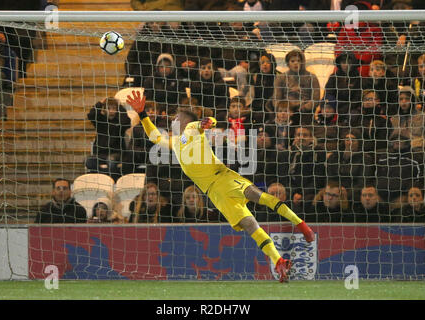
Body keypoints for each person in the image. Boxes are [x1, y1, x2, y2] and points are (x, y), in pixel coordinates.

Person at [127, 90, 315, 283]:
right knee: (250, 225)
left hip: (223, 177)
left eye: (176, 117)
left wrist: (207, 122)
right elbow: (155, 137)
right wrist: (142, 114)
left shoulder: (191, 127)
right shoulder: (175, 142)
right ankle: (279, 261)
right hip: (214, 192)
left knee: (259, 196)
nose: (173, 120)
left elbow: (207, 122)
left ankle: (301, 225)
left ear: (183, 120)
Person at [86, 97, 132, 181]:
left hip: (117, 153)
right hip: (101, 153)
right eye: (108, 108)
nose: (111, 111)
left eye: (114, 108)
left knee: (111, 160)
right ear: (104, 109)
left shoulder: (120, 122)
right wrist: (100, 103)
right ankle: (103, 178)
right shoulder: (100, 121)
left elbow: (126, 122)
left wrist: (120, 106)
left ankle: (113, 181)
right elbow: (91, 115)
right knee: (89, 161)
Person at [273, 49, 320, 124]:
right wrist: (283, 110)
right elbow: (276, 99)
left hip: (304, 112)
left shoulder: (312, 77)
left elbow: (316, 99)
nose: (296, 63)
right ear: (288, 63)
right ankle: (252, 135)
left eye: (298, 61)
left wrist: (304, 108)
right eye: (292, 61)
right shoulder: (281, 78)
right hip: (285, 112)